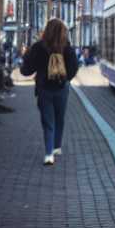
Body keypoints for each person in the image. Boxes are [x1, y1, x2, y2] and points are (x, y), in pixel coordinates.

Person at [18, 17, 80, 166]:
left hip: (44, 89)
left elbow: (27, 69)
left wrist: (24, 62)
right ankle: (57, 146)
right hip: (61, 89)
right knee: (60, 117)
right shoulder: (67, 48)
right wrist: (65, 79)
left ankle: (48, 154)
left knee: (48, 121)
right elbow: (74, 68)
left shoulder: (39, 47)